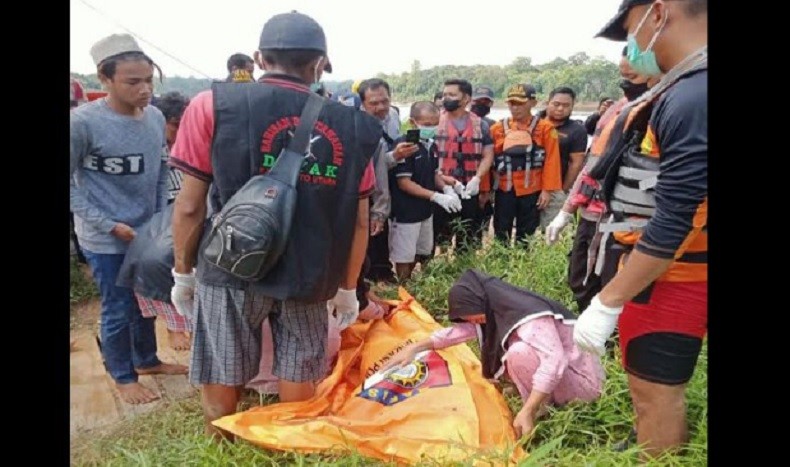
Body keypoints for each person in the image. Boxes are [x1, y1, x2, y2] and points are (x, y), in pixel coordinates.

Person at [168, 11, 380, 440]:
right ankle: (292, 446)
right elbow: (358, 222)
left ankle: (222, 446)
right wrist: (346, 287)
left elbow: (189, 206)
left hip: (231, 264)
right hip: (310, 272)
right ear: (320, 64)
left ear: (260, 58)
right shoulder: (355, 127)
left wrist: (183, 273)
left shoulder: (212, 105)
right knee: (299, 366)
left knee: (222, 365)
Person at [572, 0, 707, 457]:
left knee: (656, 393)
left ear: (658, 14)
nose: (631, 46)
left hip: (675, 277)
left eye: (631, 31)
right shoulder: (685, 90)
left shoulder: (692, 98)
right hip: (673, 268)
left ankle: (658, 453)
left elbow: (676, 217)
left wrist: (608, 302)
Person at [70, 33, 188, 405]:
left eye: (148, 80)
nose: (145, 89)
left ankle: (147, 360)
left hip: (145, 232)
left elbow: (157, 172)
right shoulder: (83, 124)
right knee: (118, 306)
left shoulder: (154, 117)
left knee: (147, 299)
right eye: (132, 82)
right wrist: (107, 225)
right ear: (104, 80)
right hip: (105, 237)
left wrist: (155, 221)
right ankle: (123, 376)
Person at [382, 269, 604, 438]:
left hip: (582, 383)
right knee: (515, 354)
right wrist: (416, 347)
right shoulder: (497, 308)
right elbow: (459, 332)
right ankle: (539, 404)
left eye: (474, 317)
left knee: (518, 354)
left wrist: (528, 410)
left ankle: (542, 410)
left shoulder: (530, 318)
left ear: (482, 303)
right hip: (566, 376)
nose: (474, 323)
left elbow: (554, 363)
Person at [545, 55, 657, 312]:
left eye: (633, 76)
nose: (627, 82)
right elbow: (590, 165)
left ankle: (609, 340)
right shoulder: (616, 110)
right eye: (624, 77)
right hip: (591, 212)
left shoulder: (664, 111)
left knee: (611, 281)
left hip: (626, 218)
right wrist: (565, 212)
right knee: (580, 276)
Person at [119, 91, 193, 351]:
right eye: (177, 124)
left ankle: (185, 327)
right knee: (160, 272)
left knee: (183, 274)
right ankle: (173, 329)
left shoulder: (188, 145)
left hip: (180, 216)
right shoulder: (152, 145)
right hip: (156, 221)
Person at [389, 101, 460, 281]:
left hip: (425, 211)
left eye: (435, 124)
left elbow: (434, 173)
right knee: (404, 253)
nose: (432, 128)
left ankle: (412, 282)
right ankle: (404, 286)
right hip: (406, 212)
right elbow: (404, 183)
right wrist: (436, 196)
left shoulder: (430, 145)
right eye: (427, 124)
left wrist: (446, 189)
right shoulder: (404, 146)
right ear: (413, 122)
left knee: (421, 250)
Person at [489, 84, 561, 246]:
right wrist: (487, 189)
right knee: (501, 229)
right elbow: (489, 161)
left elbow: (551, 161)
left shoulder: (545, 128)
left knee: (527, 231)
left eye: (520, 103)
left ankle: (523, 261)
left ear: (533, 103)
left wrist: (547, 190)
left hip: (532, 189)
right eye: (511, 103)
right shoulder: (497, 129)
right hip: (504, 188)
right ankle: (500, 263)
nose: (515, 107)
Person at [433, 79, 495, 254]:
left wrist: (477, 179)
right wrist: (442, 182)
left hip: (469, 188)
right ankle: (441, 264)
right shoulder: (435, 122)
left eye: (452, 95)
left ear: (466, 98)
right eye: (445, 94)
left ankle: (463, 266)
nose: (446, 98)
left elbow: (487, 155)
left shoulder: (481, 125)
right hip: (442, 186)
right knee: (441, 232)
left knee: (467, 230)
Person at [539, 87, 588, 230]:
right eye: (556, 104)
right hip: (531, 185)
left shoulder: (577, 130)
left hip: (557, 188)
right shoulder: (534, 123)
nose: (560, 109)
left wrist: (564, 189)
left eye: (566, 106)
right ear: (547, 102)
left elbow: (576, 163)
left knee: (553, 230)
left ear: (572, 107)